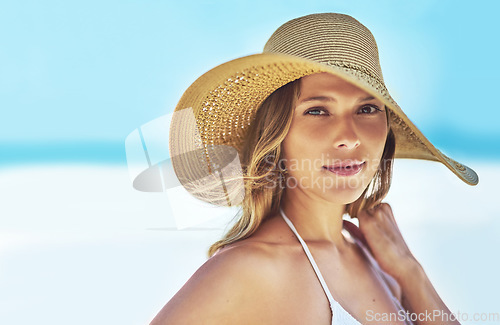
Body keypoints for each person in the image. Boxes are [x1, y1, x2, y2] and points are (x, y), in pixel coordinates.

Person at [150, 13, 478, 325]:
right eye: (318, 111)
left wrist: (411, 273)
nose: (349, 137)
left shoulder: (377, 261)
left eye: (367, 108)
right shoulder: (253, 267)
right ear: (277, 135)